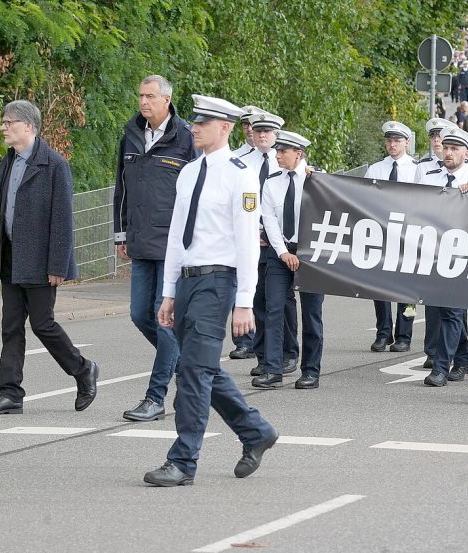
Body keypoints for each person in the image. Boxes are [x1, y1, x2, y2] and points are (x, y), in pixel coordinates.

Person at [144, 94, 278, 487]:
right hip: (187, 280)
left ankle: (183, 460)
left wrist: (244, 302)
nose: (194, 128)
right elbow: (175, 238)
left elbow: (248, 242)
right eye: (194, 122)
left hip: (219, 281)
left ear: (225, 128)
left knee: (192, 373)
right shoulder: (188, 172)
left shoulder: (240, 174)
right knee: (199, 367)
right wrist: (168, 291)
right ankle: (256, 431)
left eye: (203, 123)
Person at [0, 99, 100, 416]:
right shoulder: (9, 161)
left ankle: (83, 370)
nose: (3, 127)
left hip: (42, 262)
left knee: (43, 325)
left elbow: (62, 219)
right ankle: (10, 393)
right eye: (3, 122)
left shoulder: (54, 164)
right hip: (12, 258)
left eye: (8, 122)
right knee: (11, 326)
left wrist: (58, 264)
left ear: (28, 126)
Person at [113, 75, 197, 422]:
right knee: (139, 314)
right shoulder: (131, 135)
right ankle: (182, 362)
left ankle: (155, 397)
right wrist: (121, 235)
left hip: (173, 245)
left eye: (150, 96)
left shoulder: (186, 138)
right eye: (140, 95)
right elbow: (121, 187)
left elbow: (197, 195)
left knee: (165, 322)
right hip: (139, 240)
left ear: (167, 100)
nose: (143, 101)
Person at [252, 130, 325, 390]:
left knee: (311, 313)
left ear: (299, 154)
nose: (278, 155)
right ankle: (273, 369)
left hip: (311, 253)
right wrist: (283, 252)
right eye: (277, 150)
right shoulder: (272, 182)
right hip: (280, 250)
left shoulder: (317, 180)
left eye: (283, 151)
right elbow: (269, 220)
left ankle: (310, 371)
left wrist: (301, 253)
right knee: (274, 309)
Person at [420, 126, 468, 387]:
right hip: (433, 251)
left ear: (466, 154)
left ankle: (441, 368)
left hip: (462, 254)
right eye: (445, 148)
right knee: (442, 309)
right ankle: (464, 358)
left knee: (453, 312)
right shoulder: (429, 177)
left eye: (454, 149)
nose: (448, 153)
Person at [236, 111, 285, 374]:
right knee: (256, 300)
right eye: (258, 131)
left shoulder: (284, 160)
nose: (263, 135)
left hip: (280, 242)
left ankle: (285, 354)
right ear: (252, 134)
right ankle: (263, 356)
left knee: (279, 302)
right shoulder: (240, 161)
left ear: (275, 135)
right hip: (251, 239)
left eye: (268, 132)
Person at [363, 121, 417, 352]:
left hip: (409, 235)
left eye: (397, 140)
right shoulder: (376, 169)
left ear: (406, 142)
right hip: (381, 234)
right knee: (379, 287)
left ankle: (405, 334)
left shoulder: (417, 169)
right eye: (389, 140)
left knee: (407, 289)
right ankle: (383, 333)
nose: (392, 144)